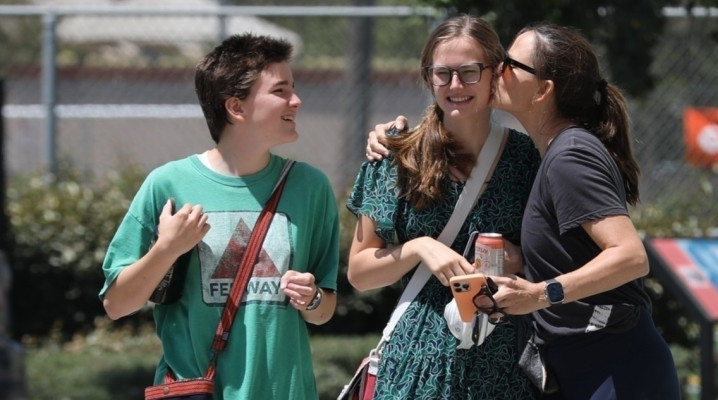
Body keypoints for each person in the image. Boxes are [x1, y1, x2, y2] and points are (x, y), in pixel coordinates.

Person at [369, 22, 680, 400]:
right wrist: (523, 259)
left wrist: (541, 293)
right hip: (590, 365)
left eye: (511, 64)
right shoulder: (551, 153)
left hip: (612, 366)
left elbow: (630, 256)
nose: (498, 69)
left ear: (543, 90)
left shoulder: (569, 154)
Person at [99, 34, 340, 400]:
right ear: (236, 108)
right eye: (280, 91)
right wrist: (167, 248)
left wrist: (312, 299)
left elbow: (324, 311)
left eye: (294, 88)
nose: (297, 100)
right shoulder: (168, 184)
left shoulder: (310, 187)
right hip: (198, 390)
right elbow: (117, 304)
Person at [347, 14, 540, 400]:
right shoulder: (396, 155)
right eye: (442, 73)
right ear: (427, 77)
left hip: (502, 363)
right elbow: (360, 272)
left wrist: (517, 258)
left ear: (494, 75)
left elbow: (559, 258)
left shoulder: (528, 158)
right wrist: (421, 247)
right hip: (415, 364)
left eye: (469, 72)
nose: (455, 85)